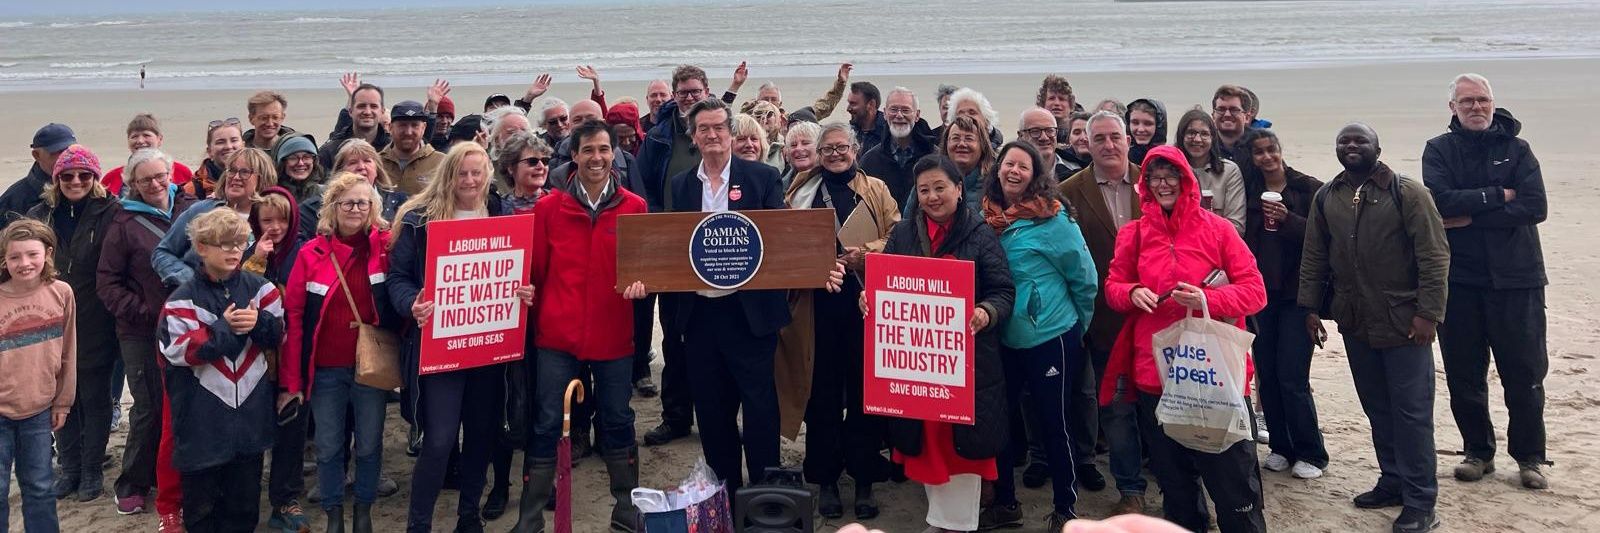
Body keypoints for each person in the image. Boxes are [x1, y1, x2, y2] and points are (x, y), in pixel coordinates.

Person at [652, 98, 839, 494]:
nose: (713, 135)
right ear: (694, 136)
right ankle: (724, 490)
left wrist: (820, 267)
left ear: (730, 132)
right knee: (712, 410)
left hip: (749, 314)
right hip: (700, 315)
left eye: (720, 127)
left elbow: (781, 239)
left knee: (759, 409)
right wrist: (646, 279)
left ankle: (763, 492)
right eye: (704, 129)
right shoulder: (682, 184)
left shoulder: (760, 178)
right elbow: (674, 247)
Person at [1100, 145, 1268, 532]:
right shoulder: (1135, 234)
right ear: (1145, 186)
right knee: (1175, 484)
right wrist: (1131, 293)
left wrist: (1206, 297)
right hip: (1156, 374)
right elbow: (1113, 285)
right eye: (1155, 178)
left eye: (1171, 176)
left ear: (1187, 181)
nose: (1163, 185)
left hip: (1215, 374)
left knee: (1233, 482)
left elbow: (1255, 291)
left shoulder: (1219, 229)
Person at [1300, 123, 1449, 533]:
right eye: (1343, 141)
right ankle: (1393, 480)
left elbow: (1435, 257)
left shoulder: (1409, 193)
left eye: (1359, 140)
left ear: (1377, 148)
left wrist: (1428, 315)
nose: (1350, 146)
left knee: (1412, 414)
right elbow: (1314, 255)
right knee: (1377, 407)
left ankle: (1421, 501)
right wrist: (1310, 308)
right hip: (1355, 321)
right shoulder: (1327, 196)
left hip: (1405, 322)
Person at [514, 121, 650, 533]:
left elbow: (643, 269)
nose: (597, 158)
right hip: (558, 335)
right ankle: (531, 515)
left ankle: (626, 507)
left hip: (613, 335)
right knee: (547, 421)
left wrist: (644, 287)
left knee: (618, 419)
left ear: (615, 154)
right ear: (573, 155)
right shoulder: (548, 208)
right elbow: (536, 271)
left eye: (604, 150)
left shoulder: (634, 206)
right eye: (588, 150)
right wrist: (529, 295)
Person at [388, 142, 528, 533]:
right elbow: (398, 279)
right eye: (461, 173)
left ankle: (469, 515)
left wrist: (523, 292)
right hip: (439, 347)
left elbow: (518, 270)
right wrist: (410, 303)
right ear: (448, 175)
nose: (469, 180)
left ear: (488, 175)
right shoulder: (419, 220)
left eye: (476, 172)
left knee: (482, 434)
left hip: (489, 345)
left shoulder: (502, 212)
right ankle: (419, 524)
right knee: (439, 439)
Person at [1422, 73, 1550, 489]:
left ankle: (1530, 457)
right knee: (1464, 375)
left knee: (1525, 373)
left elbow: (1535, 206)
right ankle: (1478, 452)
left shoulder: (1517, 149)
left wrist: (1471, 215)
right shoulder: (1438, 150)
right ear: (1453, 107)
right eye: (1467, 101)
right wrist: (1500, 195)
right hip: (1459, 281)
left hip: (1519, 279)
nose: (1476, 107)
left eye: (1482, 100)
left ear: (1493, 104)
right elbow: (1439, 203)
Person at [876, 155, 1013, 533]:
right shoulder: (903, 233)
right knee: (929, 444)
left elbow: (1003, 290)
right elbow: (885, 282)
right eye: (924, 190)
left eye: (940, 188)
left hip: (968, 366)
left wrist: (985, 311)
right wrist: (869, 299)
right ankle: (943, 520)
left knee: (961, 448)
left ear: (958, 189)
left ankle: (955, 524)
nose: (933, 197)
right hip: (920, 365)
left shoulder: (980, 233)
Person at [777, 123, 899, 520]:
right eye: (827, 148)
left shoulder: (876, 188)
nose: (834, 154)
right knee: (821, 395)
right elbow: (785, 243)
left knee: (866, 396)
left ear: (855, 148)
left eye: (841, 147)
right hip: (816, 310)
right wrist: (814, 265)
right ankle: (825, 477)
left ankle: (864, 479)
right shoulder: (798, 191)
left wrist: (865, 252)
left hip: (866, 304)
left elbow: (897, 235)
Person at [979, 142, 1097, 531]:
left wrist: (1077, 327)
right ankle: (1006, 504)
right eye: (1008, 164)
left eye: (1023, 166)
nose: (1013, 171)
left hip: (1051, 336)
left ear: (1035, 175)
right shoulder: (985, 218)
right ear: (997, 169)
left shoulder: (1052, 219)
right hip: (1003, 337)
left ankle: (1065, 506)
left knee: (1053, 422)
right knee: (1000, 422)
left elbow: (1084, 278)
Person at [280, 173, 398, 533]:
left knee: (368, 445)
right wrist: (293, 381)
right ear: (332, 207)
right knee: (329, 448)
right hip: (327, 370)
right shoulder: (310, 253)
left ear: (373, 206)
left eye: (363, 202)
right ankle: (334, 515)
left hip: (370, 368)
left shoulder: (385, 247)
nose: (356, 209)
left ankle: (363, 513)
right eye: (348, 202)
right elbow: (295, 320)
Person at [158, 208, 285, 533]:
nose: (233, 251)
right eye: (224, 244)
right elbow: (180, 352)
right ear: (201, 247)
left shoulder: (262, 289)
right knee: (202, 512)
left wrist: (260, 324)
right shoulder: (180, 300)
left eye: (239, 243)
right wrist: (224, 328)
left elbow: (279, 336)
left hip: (251, 423)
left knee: (244, 509)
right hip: (202, 426)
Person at [97, 148, 197, 515]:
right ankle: (134, 481)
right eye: (145, 179)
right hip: (141, 331)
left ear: (172, 174)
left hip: (191, 323)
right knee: (150, 406)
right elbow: (107, 283)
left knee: (186, 404)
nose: (154, 184)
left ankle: (177, 474)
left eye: (160, 176)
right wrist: (144, 312)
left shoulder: (192, 209)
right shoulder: (123, 223)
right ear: (132, 184)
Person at [21, 144, 120, 504]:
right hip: (47, 319)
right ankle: (70, 467)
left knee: (93, 397)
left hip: (95, 318)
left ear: (94, 177)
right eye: (67, 175)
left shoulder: (110, 211)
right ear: (56, 177)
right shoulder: (39, 214)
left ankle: (92, 469)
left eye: (83, 175)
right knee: (57, 395)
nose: (75, 181)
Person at [1058, 111, 1145, 515]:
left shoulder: (1155, 180)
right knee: (1116, 407)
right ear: (1086, 144)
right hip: (1104, 320)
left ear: (1128, 140)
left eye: (1115, 137)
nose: (1109, 145)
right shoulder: (1069, 192)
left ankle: (1174, 479)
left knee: (1162, 406)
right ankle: (1130, 488)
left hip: (1157, 317)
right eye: (1100, 139)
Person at [635, 64, 721, 447]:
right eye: (682, 92)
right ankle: (675, 417)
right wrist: (659, 229)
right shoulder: (657, 137)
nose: (689, 97)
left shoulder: (720, 129)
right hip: (673, 250)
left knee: (716, 337)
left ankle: (715, 415)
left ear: (707, 90)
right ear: (673, 94)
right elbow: (644, 188)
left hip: (719, 249)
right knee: (675, 337)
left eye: (695, 91)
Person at [1239, 128, 1328, 480]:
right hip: (1261, 295)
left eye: (1271, 149)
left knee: (1293, 376)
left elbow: (1324, 238)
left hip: (1298, 296)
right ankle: (1280, 445)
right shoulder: (1248, 193)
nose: (1266, 157)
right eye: (1259, 152)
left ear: (1280, 149)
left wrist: (1287, 220)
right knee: (1269, 375)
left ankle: (1312, 452)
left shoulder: (1308, 188)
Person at [0, 219, 75, 533]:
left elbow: (69, 351)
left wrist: (62, 402)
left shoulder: (62, 293)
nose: (24, 263)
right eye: (14, 257)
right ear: (4, 259)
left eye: (32, 254)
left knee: (40, 486)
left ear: (48, 253)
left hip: (40, 409)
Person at [154, 148, 276, 289]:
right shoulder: (202, 210)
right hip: (198, 304)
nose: (235, 177)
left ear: (263, 178)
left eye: (244, 172)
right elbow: (162, 252)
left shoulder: (272, 220)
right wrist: (192, 282)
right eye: (231, 170)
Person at [860, 86, 937, 208]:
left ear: (917, 115)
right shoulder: (869, 161)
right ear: (885, 114)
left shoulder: (935, 158)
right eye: (894, 109)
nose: (899, 115)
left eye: (906, 110)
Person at [1173, 108, 1245, 233]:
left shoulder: (1229, 172)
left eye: (1204, 134)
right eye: (1191, 133)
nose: (1197, 139)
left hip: (1217, 249)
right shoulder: (1169, 170)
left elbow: (1237, 227)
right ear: (1181, 136)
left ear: (1213, 138)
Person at [102, 114, 196, 196]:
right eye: (134, 136)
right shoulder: (112, 178)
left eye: (146, 135)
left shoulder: (181, 172)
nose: (140, 141)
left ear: (160, 139)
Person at [3, 124, 76, 221]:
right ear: (36, 155)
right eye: (58, 152)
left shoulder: (85, 189)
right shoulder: (14, 201)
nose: (66, 157)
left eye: (71, 151)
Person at [382, 100, 447, 196]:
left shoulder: (443, 163)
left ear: (424, 128)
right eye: (402, 125)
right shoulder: (376, 163)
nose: (408, 132)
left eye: (415, 125)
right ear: (390, 127)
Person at [318, 82, 389, 169]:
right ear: (350, 111)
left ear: (382, 111)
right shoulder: (329, 152)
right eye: (361, 106)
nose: (367, 112)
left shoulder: (392, 149)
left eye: (373, 106)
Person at [940, 115, 995, 213]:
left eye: (969, 139)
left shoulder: (994, 182)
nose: (961, 144)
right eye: (955, 138)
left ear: (982, 145)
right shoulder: (929, 177)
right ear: (946, 144)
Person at [493, 131, 553, 215]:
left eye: (545, 161)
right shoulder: (498, 208)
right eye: (532, 161)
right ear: (510, 168)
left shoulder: (559, 204)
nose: (541, 166)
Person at [185, 118, 245, 199]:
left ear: (243, 146)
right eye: (220, 142)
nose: (228, 146)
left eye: (234, 140)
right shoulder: (192, 191)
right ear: (210, 151)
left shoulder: (259, 181)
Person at [1017, 107, 1073, 180]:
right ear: (1021, 136)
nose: (1044, 137)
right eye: (1035, 131)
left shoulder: (1075, 170)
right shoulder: (1012, 173)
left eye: (1050, 130)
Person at [1211, 85, 1256, 163]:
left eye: (1234, 110)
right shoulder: (1205, 147)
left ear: (1247, 117)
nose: (1227, 114)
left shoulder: (1259, 145)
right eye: (1221, 109)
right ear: (1213, 116)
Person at [1037, 75, 1082, 144]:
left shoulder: (1082, 134)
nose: (1057, 103)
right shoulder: (1033, 133)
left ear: (1071, 105)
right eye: (1051, 98)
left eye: (1062, 99)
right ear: (1043, 104)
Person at [780, 121, 822, 191]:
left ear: (820, 146)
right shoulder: (779, 187)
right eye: (793, 145)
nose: (798, 148)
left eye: (805, 143)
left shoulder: (833, 182)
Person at [1125, 98, 1167, 166]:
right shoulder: (1121, 157)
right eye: (1135, 123)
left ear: (1159, 126)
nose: (1141, 129)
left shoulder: (1168, 159)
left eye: (1148, 123)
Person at [847, 81, 887, 150]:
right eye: (849, 103)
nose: (848, 109)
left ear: (871, 104)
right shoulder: (849, 132)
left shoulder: (889, 133)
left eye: (853, 103)